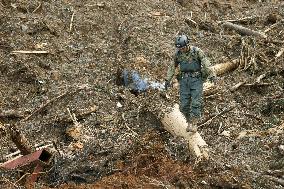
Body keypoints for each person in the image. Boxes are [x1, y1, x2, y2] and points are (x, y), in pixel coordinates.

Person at [165, 34, 216, 133]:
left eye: (183, 47)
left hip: (196, 80)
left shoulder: (196, 51)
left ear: (187, 44)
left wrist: (212, 74)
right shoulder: (178, 54)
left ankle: (194, 123)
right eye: (180, 48)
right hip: (184, 81)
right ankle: (189, 121)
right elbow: (172, 67)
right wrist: (168, 79)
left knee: (196, 103)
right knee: (184, 105)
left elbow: (206, 63)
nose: (182, 50)